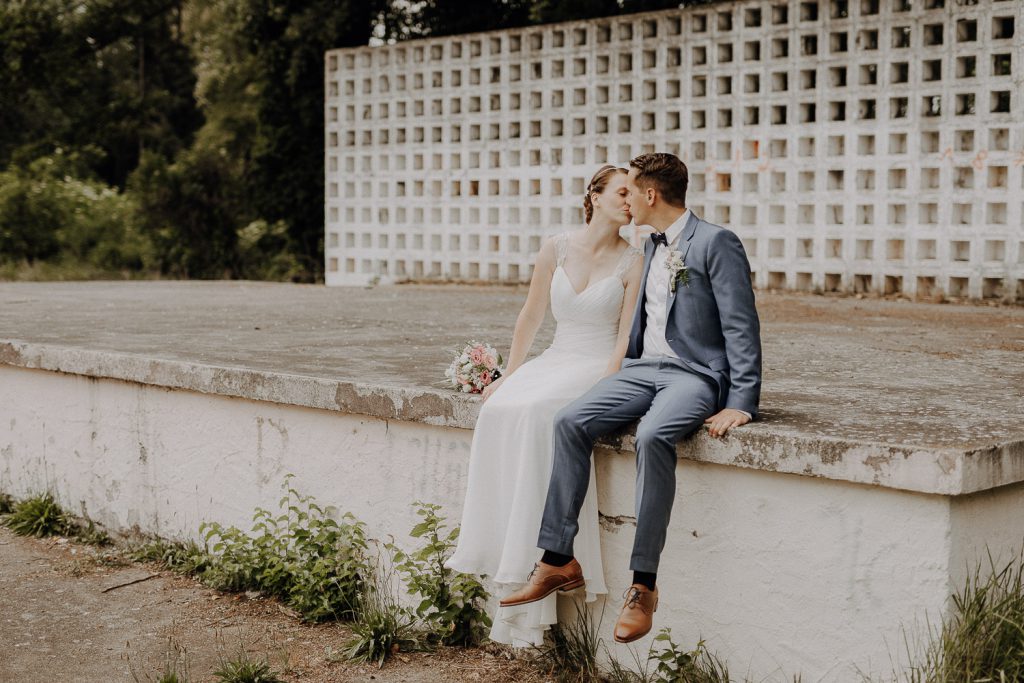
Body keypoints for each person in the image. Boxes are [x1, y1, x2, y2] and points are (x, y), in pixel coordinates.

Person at [500, 152, 762, 644]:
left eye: (630, 190)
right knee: (569, 420)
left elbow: (741, 325)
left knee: (653, 435)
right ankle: (557, 558)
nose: (626, 200)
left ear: (649, 195)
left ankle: (643, 586)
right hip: (643, 371)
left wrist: (742, 400)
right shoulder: (645, 247)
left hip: (694, 375)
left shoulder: (715, 242)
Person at [446, 165, 644, 646]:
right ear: (593, 197)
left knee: (540, 415)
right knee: (501, 409)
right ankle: (508, 554)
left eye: (633, 195)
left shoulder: (633, 260)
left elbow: (625, 337)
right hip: (556, 356)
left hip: (595, 365)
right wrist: (510, 375)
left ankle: (551, 559)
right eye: (620, 192)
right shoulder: (555, 247)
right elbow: (532, 313)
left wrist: (608, 381)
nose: (629, 201)